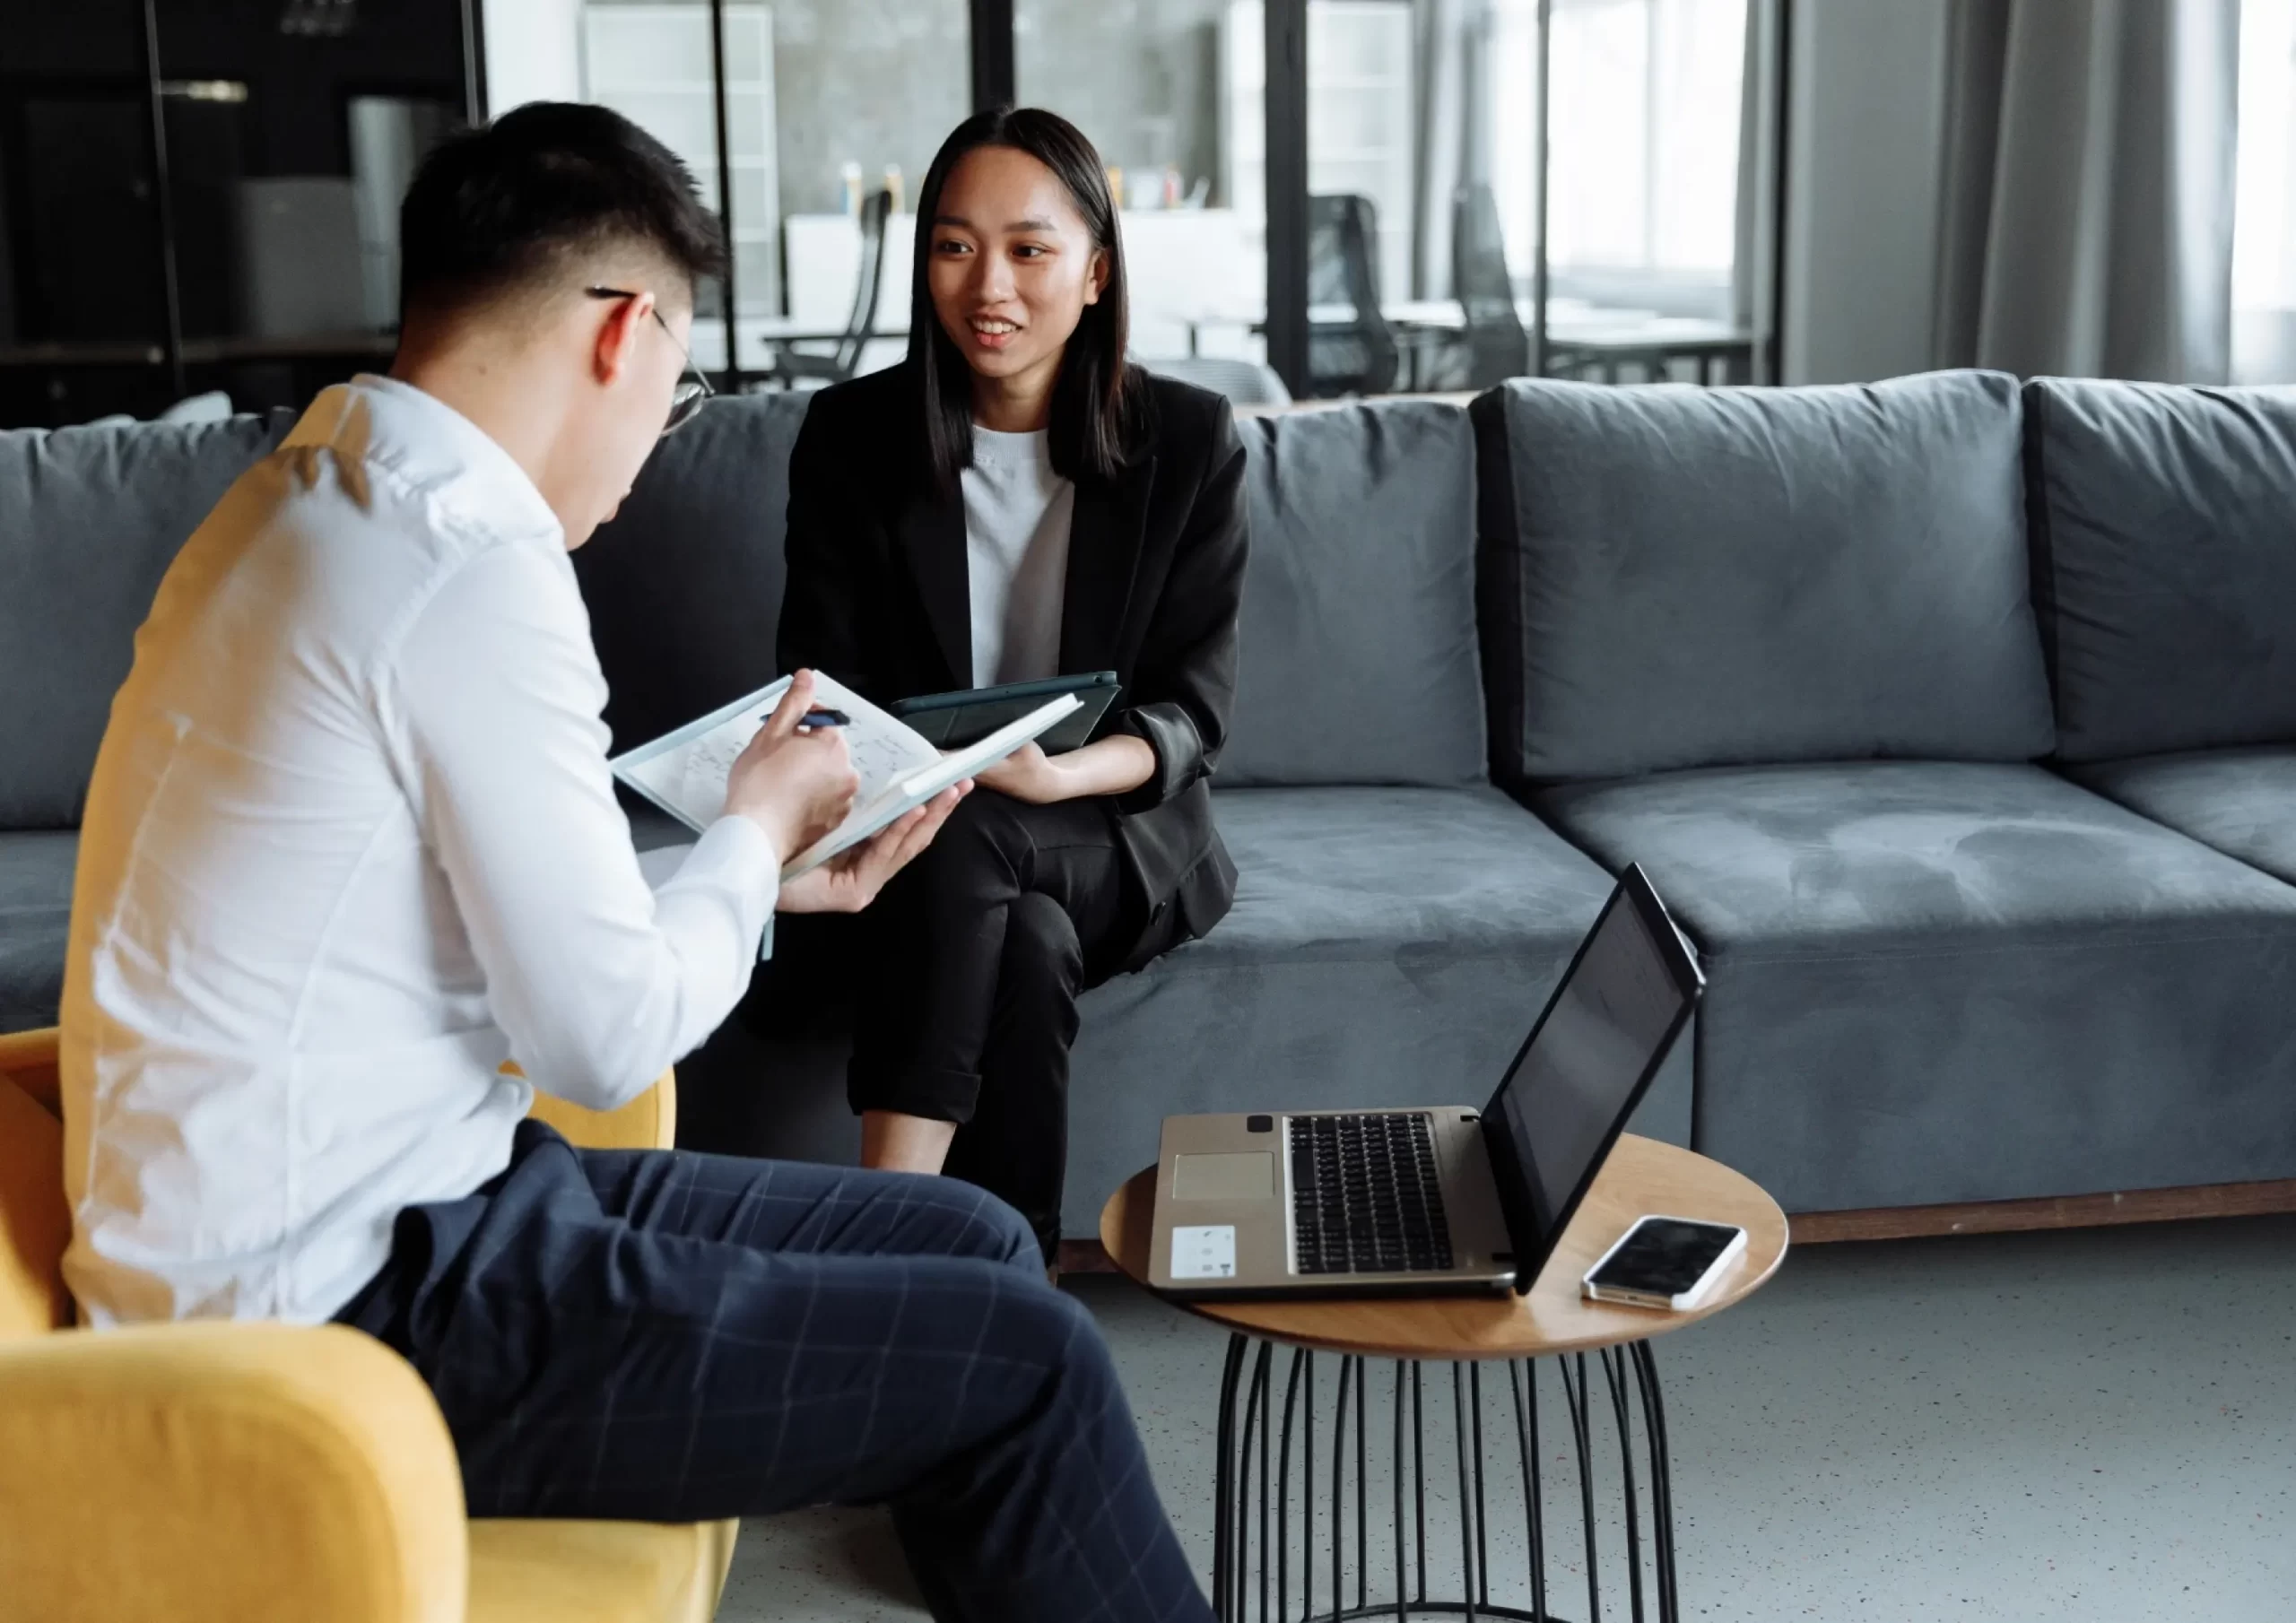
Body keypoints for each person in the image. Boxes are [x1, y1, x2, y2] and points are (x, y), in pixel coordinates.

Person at [59, 102, 1214, 1623]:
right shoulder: (474, 568)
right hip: (342, 1303)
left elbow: (482, 912)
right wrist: (748, 827)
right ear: (624, 333)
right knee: (1040, 1355)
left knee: (987, 1238)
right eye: (676, 388)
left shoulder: (303, 503)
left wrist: (751, 884)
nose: (659, 440)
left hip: (409, 1193)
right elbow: (598, 1033)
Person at [778, 108, 1249, 1263]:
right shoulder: (850, 439)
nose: (987, 283)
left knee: (979, 836)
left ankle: (878, 1246)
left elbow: (1193, 715)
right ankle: (1012, 1288)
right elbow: (814, 682)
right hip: (918, 830)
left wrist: (1057, 774)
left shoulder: (1187, 440)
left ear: (1095, 271)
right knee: (1025, 944)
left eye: (1030, 249)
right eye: (953, 244)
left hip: (1109, 826)